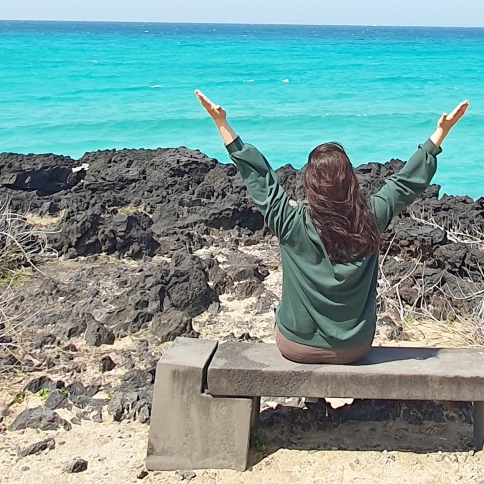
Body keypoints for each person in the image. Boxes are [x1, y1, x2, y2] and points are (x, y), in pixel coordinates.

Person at [194, 90, 469, 365]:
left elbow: (259, 178)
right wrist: (439, 134)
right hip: (355, 347)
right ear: (350, 179)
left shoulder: (290, 221)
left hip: (296, 346)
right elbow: (405, 183)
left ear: (310, 184)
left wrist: (222, 123)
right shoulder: (370, 217)